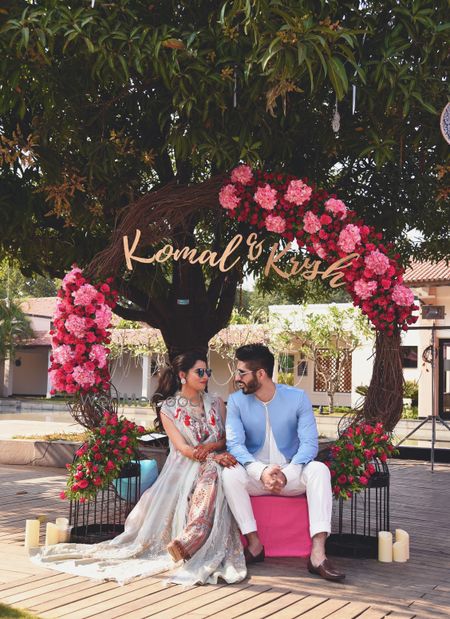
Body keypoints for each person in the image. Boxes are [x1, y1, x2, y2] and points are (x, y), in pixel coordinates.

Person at [31, 352, 246, 586]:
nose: (205, 376)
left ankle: (193, 536)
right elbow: (182, 447)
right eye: (200, 372)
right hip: (186, 465)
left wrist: (211, 449)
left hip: (212, 458)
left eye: (208, 372)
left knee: (214, 469)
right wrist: (204, 454)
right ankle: (193, 536)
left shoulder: (216, 402)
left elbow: (225, 438)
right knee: (213, 469)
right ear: (183, 375)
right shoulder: (169, 408)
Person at [222, 343, 345, 582]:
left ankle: (318, 554)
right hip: (256, 475)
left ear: (261, 373)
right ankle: (255, 545)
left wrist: (287, 473)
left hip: (292, 473)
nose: (237, 378)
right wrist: (261, 471)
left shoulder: (297, 398)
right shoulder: (236, 401)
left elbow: (309, 444)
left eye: (242, 373)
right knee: (229, 475)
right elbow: (234, 445)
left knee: (319, 470)